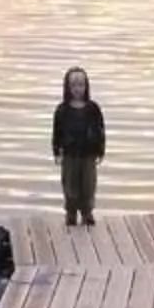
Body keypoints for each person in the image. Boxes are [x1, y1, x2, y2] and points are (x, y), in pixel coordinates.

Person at [50, 67, 105, 227]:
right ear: (67, 87)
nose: (77, 89)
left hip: (88, 154)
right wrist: (56, 151)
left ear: (86, 86)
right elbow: (56, 132)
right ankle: (71, 213)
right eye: (73, 85)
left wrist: (101, 150)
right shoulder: (62, 110)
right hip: (69, 154)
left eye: (81, 85)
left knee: (89, 185)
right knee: (70, 186)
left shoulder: (93, 109)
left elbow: (101, 130)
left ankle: (87, 213)